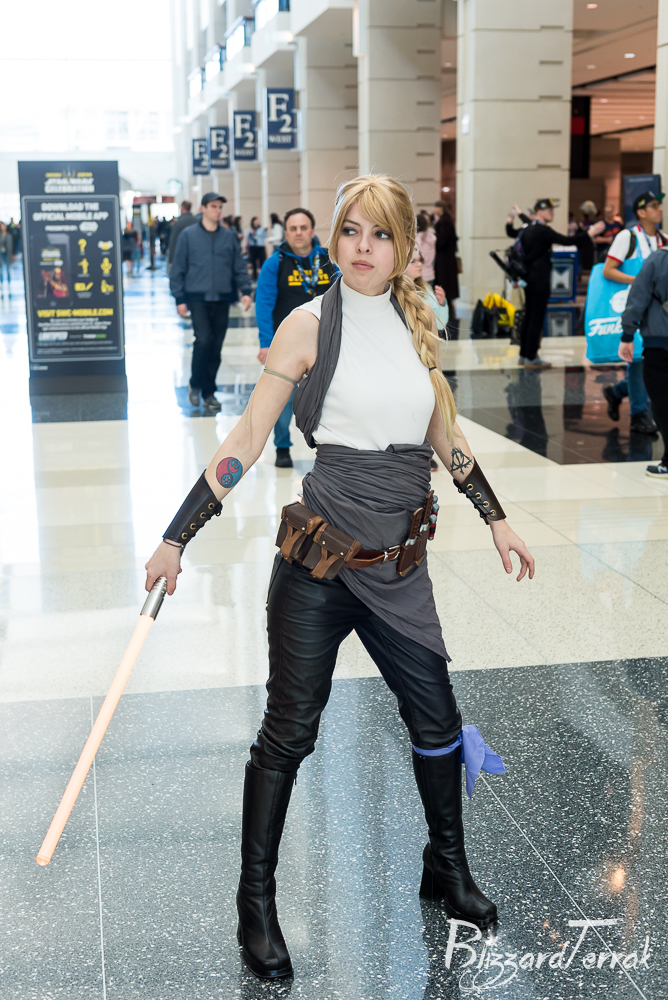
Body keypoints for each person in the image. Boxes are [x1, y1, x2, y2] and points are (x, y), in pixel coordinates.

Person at [146, 173, 535, 980]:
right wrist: (177, 536)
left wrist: (496, 517)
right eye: (352, 231)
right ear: (334, 239)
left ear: (404, 247)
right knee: (289, 733)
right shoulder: (308, 324)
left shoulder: (418, 322)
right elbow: (247, 438)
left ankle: (445, 867)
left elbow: (446, 436)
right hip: (318, 567)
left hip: (399, 569)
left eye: (381, 234)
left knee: (437, 721)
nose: (364, 248)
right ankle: (256, 903)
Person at [255, 207, 338, 467]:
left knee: (330, 398)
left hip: (324, 341)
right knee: (282, 399)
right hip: (287, 346)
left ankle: (330, 447)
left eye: (303, 228)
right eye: (293, 229)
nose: (298, 233)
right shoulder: (275, 263)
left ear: (312, 231)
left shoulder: (328, 260)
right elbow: (264, 304)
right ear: (286, 232)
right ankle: (282, 447)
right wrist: (266, 343)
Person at [170, 192, 252, 413]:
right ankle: (197, 385)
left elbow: (238, 266)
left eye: (220, 207)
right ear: (203, 208)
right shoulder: (188, 235)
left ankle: (208, 392)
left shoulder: (228, 236)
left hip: (222, 298)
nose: (218, 211)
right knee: (204, 340)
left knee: (215, 348)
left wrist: (245, 291)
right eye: (213, 206)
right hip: (197, 297)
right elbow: (178, 268)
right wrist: (179, 298)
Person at [600, 191, 666, 435]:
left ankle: (616, 392)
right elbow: (608, 270)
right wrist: (639, 281)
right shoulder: (627, 237)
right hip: (633, 308)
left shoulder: (663, 239)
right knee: (638, 362)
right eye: (654, 205)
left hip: (656, 314)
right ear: (641, 212)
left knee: (646, 363)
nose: (660, 209)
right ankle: (639, 414)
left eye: (660, 205)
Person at [518, 198, 587, 369]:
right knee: (536, 317)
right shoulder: (543, 231)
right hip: (540, 279)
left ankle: (524, 354)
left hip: (528, 278)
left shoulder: (528, 229)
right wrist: (589, 234)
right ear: (540, 212)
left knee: (529, 315)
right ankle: (531, 356)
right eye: (550, 210)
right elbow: (567, 240)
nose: (553, 213)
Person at [619, 240, 668, 478]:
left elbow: (638, 297)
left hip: (660, 343)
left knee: (663, 402)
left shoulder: (659, 259)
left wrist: (627, 334)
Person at [405, 248, 449, 471]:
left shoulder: (426, 290)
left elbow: (441, 322)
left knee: (428, 405)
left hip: (426, 354)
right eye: (413, 261)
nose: (419, 264)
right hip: (408, 355)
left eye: (420, 260)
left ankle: (426, 452)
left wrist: (441, 304)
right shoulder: (392, 292)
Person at [432, 200, 459, 340]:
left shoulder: (443, 221)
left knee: (444, 283)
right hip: (448, 259)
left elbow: (441, 240)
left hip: (444, 261)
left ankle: (447, 311)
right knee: (448, 284)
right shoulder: (447, 220)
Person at [167, 200, 197, 268]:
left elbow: (173, 241)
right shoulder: (197, 221)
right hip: (196, 254)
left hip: (182, 256)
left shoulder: (178, 223)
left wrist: (171, 260)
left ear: (182, 207)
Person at [415, 212, 436, 285]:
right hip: (430, 272)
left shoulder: (417, 239)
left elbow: (419, 257)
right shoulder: (431, 237)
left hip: (420, 274)